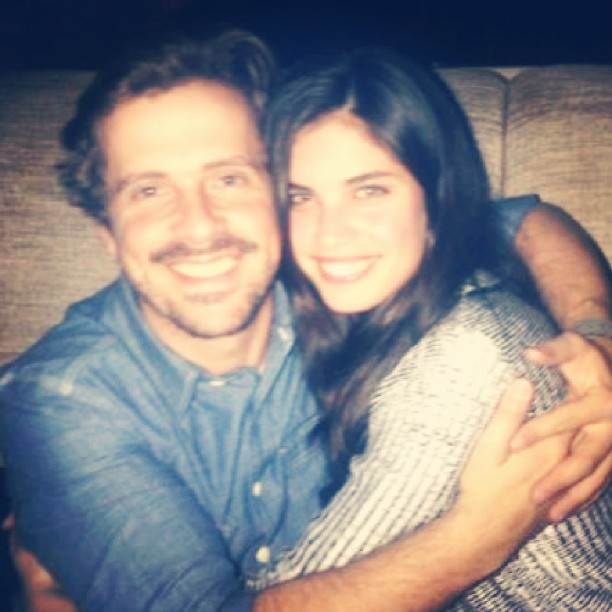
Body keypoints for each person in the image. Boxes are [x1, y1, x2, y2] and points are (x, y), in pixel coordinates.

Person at [0, 31, 610, 611]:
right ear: (106, 230)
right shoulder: (62, 402)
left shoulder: (417, 324)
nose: (200, 226)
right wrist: (477, 537)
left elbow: (508, 219)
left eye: (229, 178)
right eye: (149, 191)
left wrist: (595, 332)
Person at [259, 47, 612, 608]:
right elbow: (518, 218)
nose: (328, 236)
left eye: (369, 190)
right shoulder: (409, 298)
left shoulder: (465, 359)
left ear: (437, 197)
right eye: (299, 197)